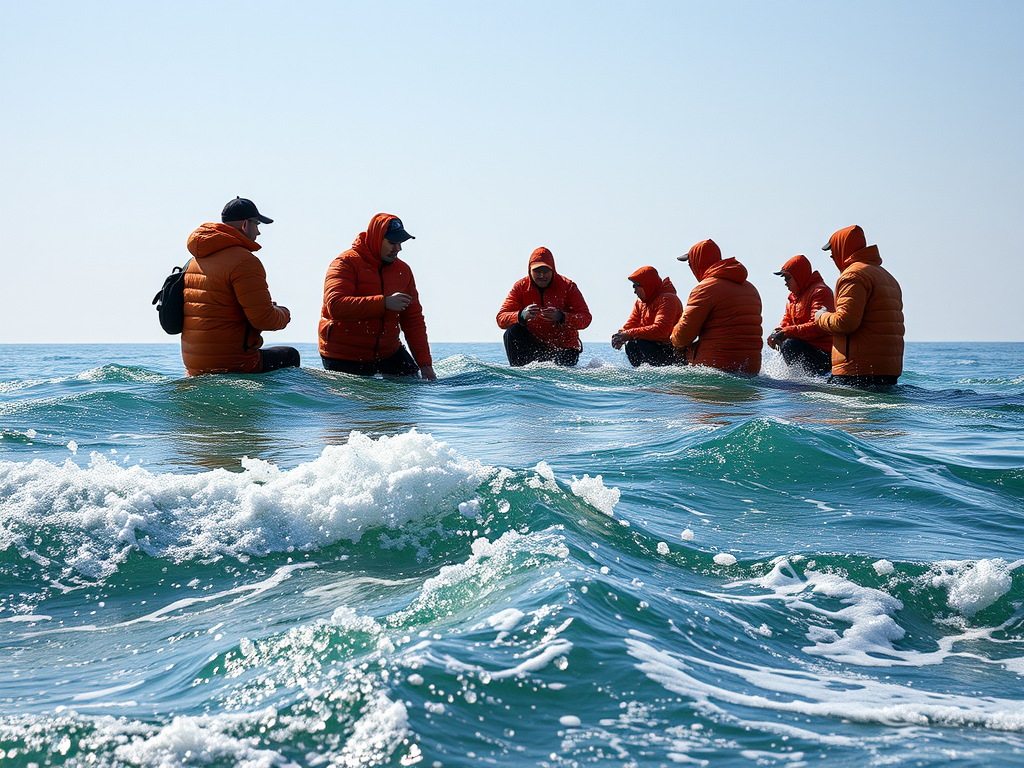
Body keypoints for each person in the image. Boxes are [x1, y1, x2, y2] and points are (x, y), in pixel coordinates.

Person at [181, 197, 298, 376]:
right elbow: (264, 319)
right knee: (291, 355)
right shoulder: (245, 261)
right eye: (257, 224)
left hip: (194, 366)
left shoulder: (194, 261)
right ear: (245, 225)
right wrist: (283, 313)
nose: (258, 232)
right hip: (235, 364)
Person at [319, 213, 435, 380]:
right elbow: (335, 306)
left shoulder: (404, 271)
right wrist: (384, 302)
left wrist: (426, 365)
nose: (398, 249)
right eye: (392, 243)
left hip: (388, 351)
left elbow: (413, 320)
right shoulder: (345, 263)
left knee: (416, 387)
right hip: (343, 354)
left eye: (400, 243)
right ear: (376, 239)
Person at [815, 225, 904, 386]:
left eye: (832, 252)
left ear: (842, 248)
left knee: (824, 409)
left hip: (857, 371)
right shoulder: (887, 276)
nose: (832, 257)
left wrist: (821, 317)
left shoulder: (853, 275)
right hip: (888, 370)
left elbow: (845, 322)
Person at [670, 239, 763, 374]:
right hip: (751, 367)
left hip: (716, 365)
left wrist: (672, 337)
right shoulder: (751, 288)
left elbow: (684, 335)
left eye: (690, 263)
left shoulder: (705, 288)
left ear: (697, 263)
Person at [496, 247, 592, 366]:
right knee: (512, 331)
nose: (542, 275)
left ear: (553, 269)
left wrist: (561, 317)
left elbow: (586, 318)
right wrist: (521, 315)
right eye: (537, 271)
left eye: (545, 271)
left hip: (564, 349)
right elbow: (501, 318)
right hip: (535, 346)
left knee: (563, 359)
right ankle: (519, 376)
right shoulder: (520, 287)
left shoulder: (568, 287)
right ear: (529, 270)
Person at [767, 254, 835, 375]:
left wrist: (787, 332)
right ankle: (800, 382)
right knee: (786, 342)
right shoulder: (793, 298)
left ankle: (808, 382)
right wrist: (775, 333)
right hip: (806, 349)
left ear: (799, 276)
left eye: (787, 278)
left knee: (789, 344)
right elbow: (785, 323)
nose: (785, 283)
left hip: (824, 354)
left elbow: (818, 326)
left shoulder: (820, 291)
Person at [611, 266, 682, 367]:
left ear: (647, 285)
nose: (634, 291)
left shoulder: (668, 299)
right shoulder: (640, 303)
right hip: (651, 346)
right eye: (633, 287)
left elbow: (661, 330)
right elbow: (632, 324)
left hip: (668, 350)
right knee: (631, 344)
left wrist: (629, 334)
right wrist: (620, 336)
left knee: (641, 342)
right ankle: (640, 376)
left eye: (636, 286)